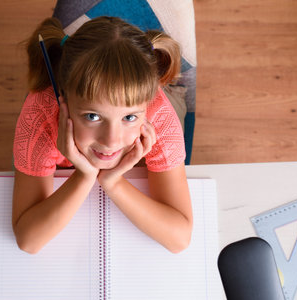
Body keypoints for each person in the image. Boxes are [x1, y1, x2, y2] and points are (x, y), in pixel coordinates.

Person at [12, 16, 193, 254]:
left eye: (129, 117)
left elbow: (179, 238)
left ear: (146, 108)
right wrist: (85, 176)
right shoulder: (41, 117)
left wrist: (113, 181)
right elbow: (28, 240)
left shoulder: (158, 120)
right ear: (62, 100)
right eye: (92, 116)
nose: (111, 141)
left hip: (161, 120)